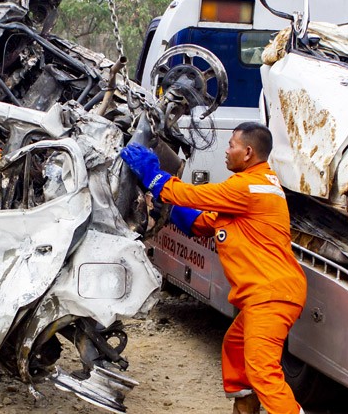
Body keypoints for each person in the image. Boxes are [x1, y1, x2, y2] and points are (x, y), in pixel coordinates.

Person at [121, 122, 307, 414]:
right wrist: (165, 207)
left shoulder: (246, 187)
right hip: (269, 293)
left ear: (248, 152)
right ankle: (245, 406)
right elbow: (202, 223)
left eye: (231, 145)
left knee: (263, 370)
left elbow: (190, 195)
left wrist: (153, 175)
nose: (226, 150)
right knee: (236, 346)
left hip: (271, 295)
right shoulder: (254, 187)